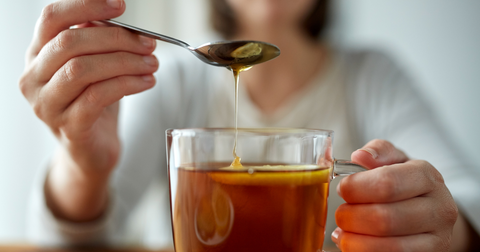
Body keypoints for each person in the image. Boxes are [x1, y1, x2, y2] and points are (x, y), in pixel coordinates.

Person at [19, 0, 480, 251]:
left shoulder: (373, 77)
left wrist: (441, 225)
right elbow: (68, 243)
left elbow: (466, 204)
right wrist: (84, 164)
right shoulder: (171, 82)